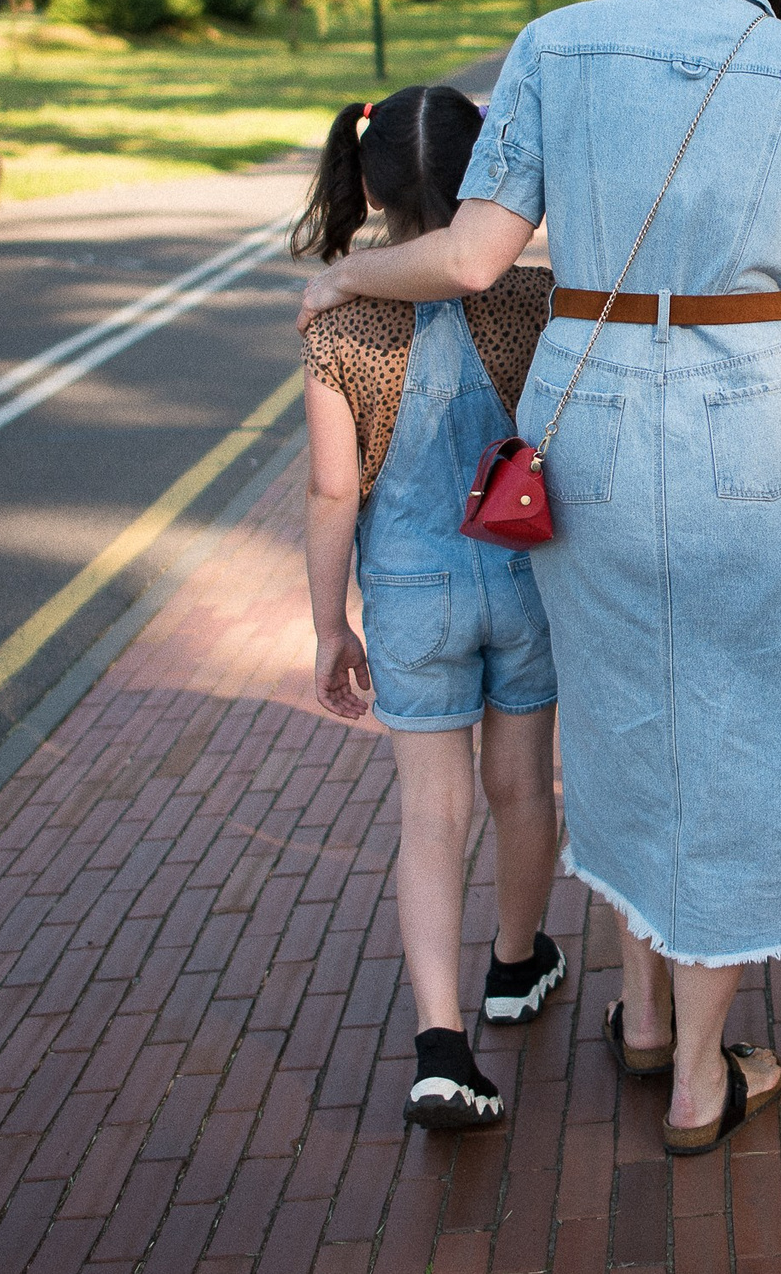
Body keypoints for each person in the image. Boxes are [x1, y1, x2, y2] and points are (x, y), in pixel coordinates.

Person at [297, 0, 781, 1156]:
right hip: (754, 426)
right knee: (734, 734)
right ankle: (703, 1067)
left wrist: (348, 282)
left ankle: (646, 1014)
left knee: (617, 720)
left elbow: (479, 253)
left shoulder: (555, 47)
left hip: (587, 430)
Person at [295, 85, 570, 1132]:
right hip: (522, 572)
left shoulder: (339, 320)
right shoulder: (531, 299)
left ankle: (442, 1044)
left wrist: (330, 622)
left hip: (407, 593)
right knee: (522, 784)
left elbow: (332, 492)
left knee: (431, 812)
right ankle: (515, 963)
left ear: (368, 185)